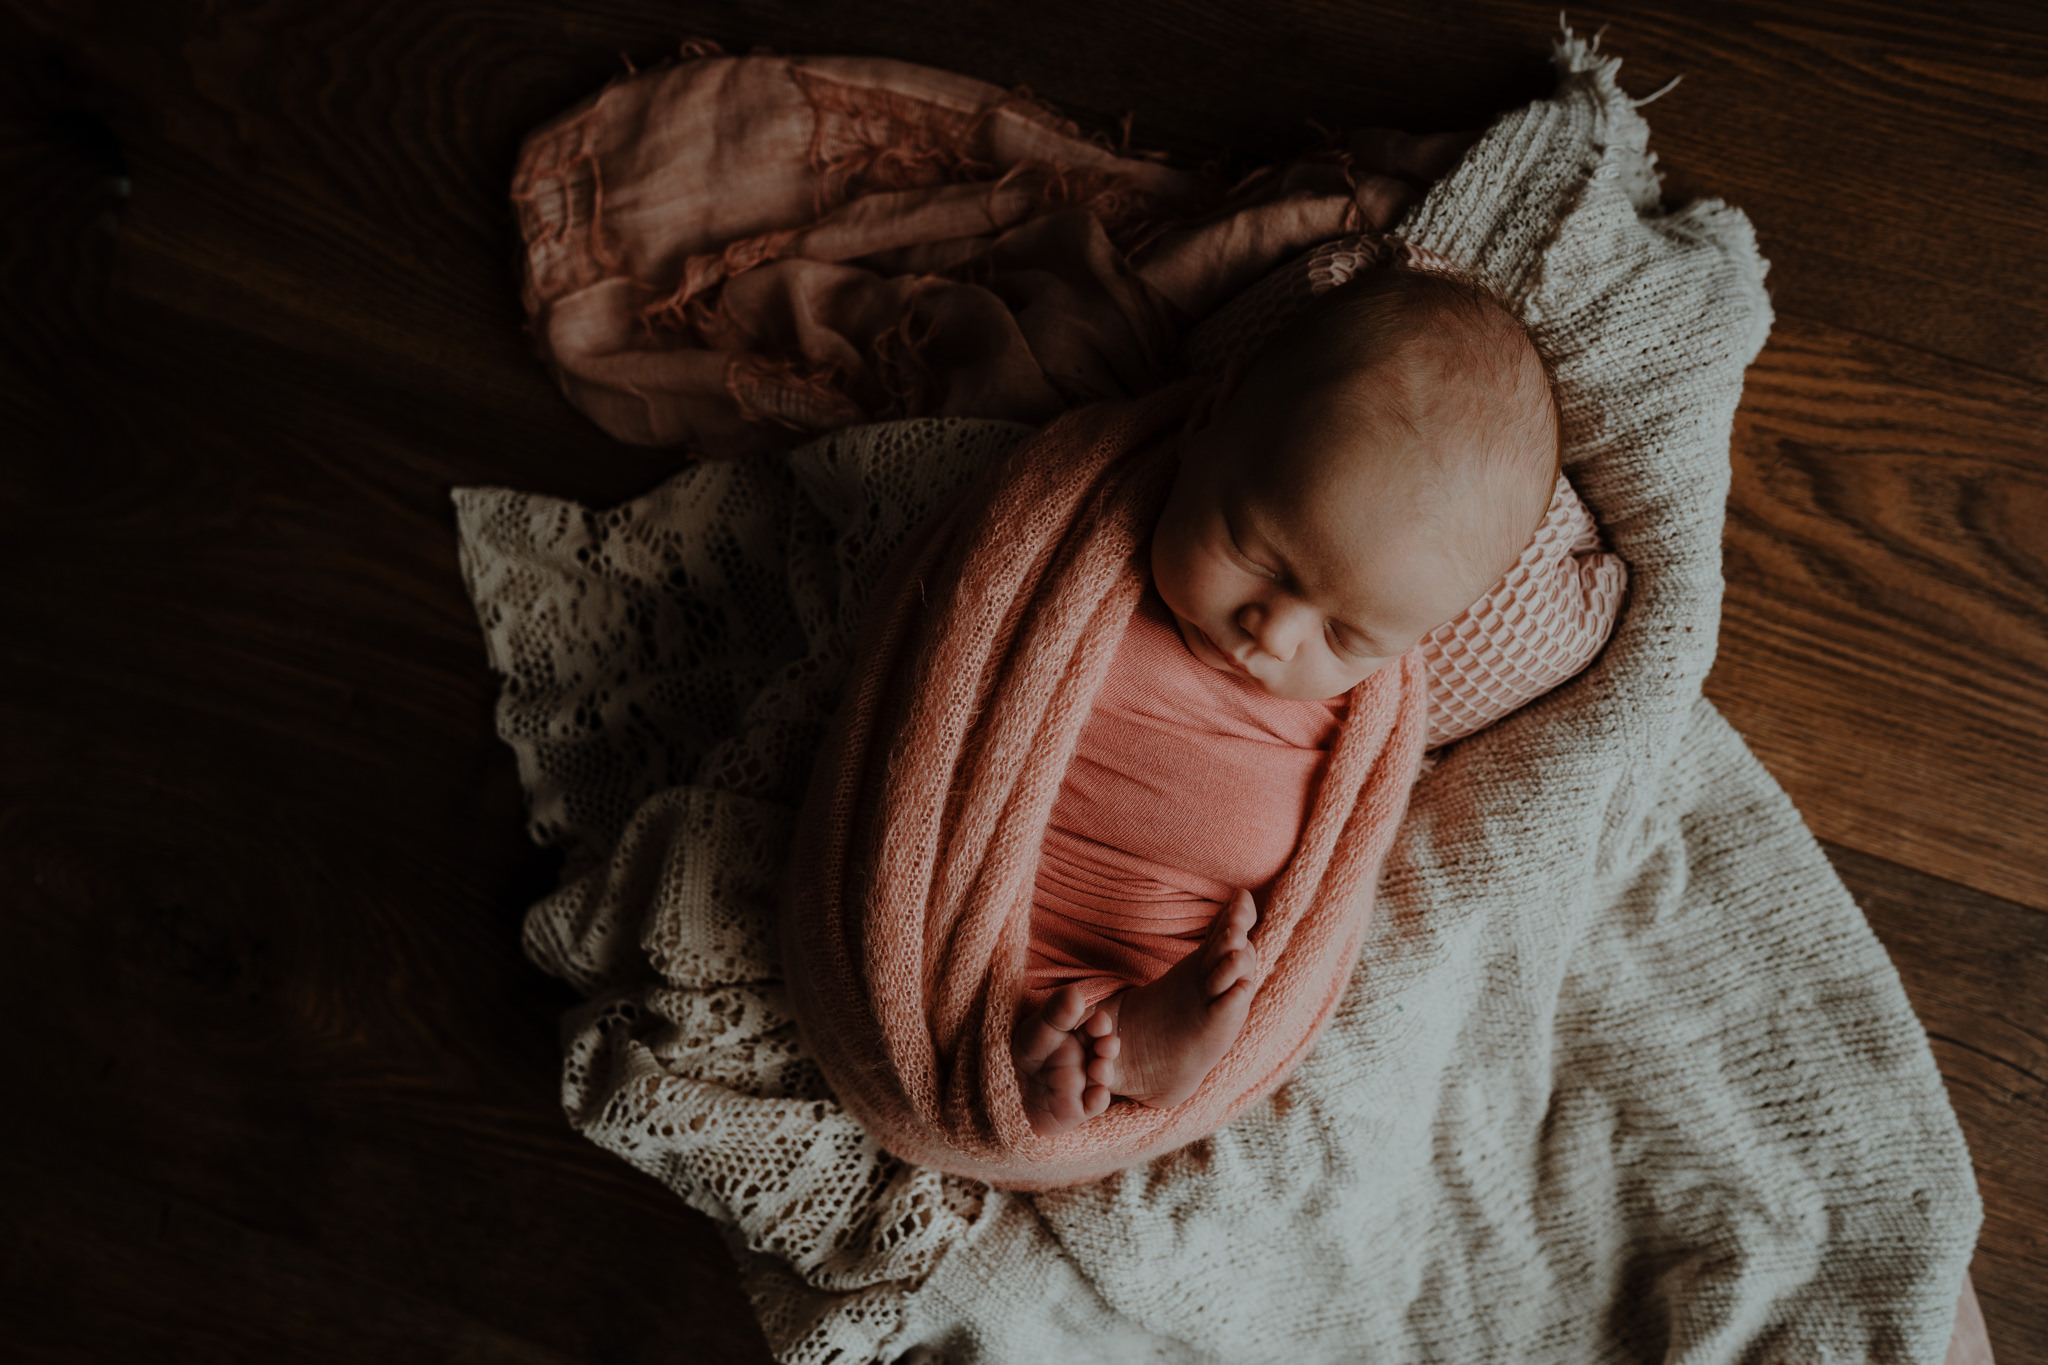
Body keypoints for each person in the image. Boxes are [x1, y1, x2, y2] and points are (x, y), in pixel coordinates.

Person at [1013, 263, 1563, 1136]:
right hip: (994, 875)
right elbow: (960, 645)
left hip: (1165, 938)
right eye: (1260, 557)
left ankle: (1122, 1048)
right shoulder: (1083, 524)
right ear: (1206, 420)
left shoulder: (1358, 717)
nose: (1271, 635)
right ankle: (1047, 1051)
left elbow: (1328, 876)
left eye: (1345, 636)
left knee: (1229, 965)